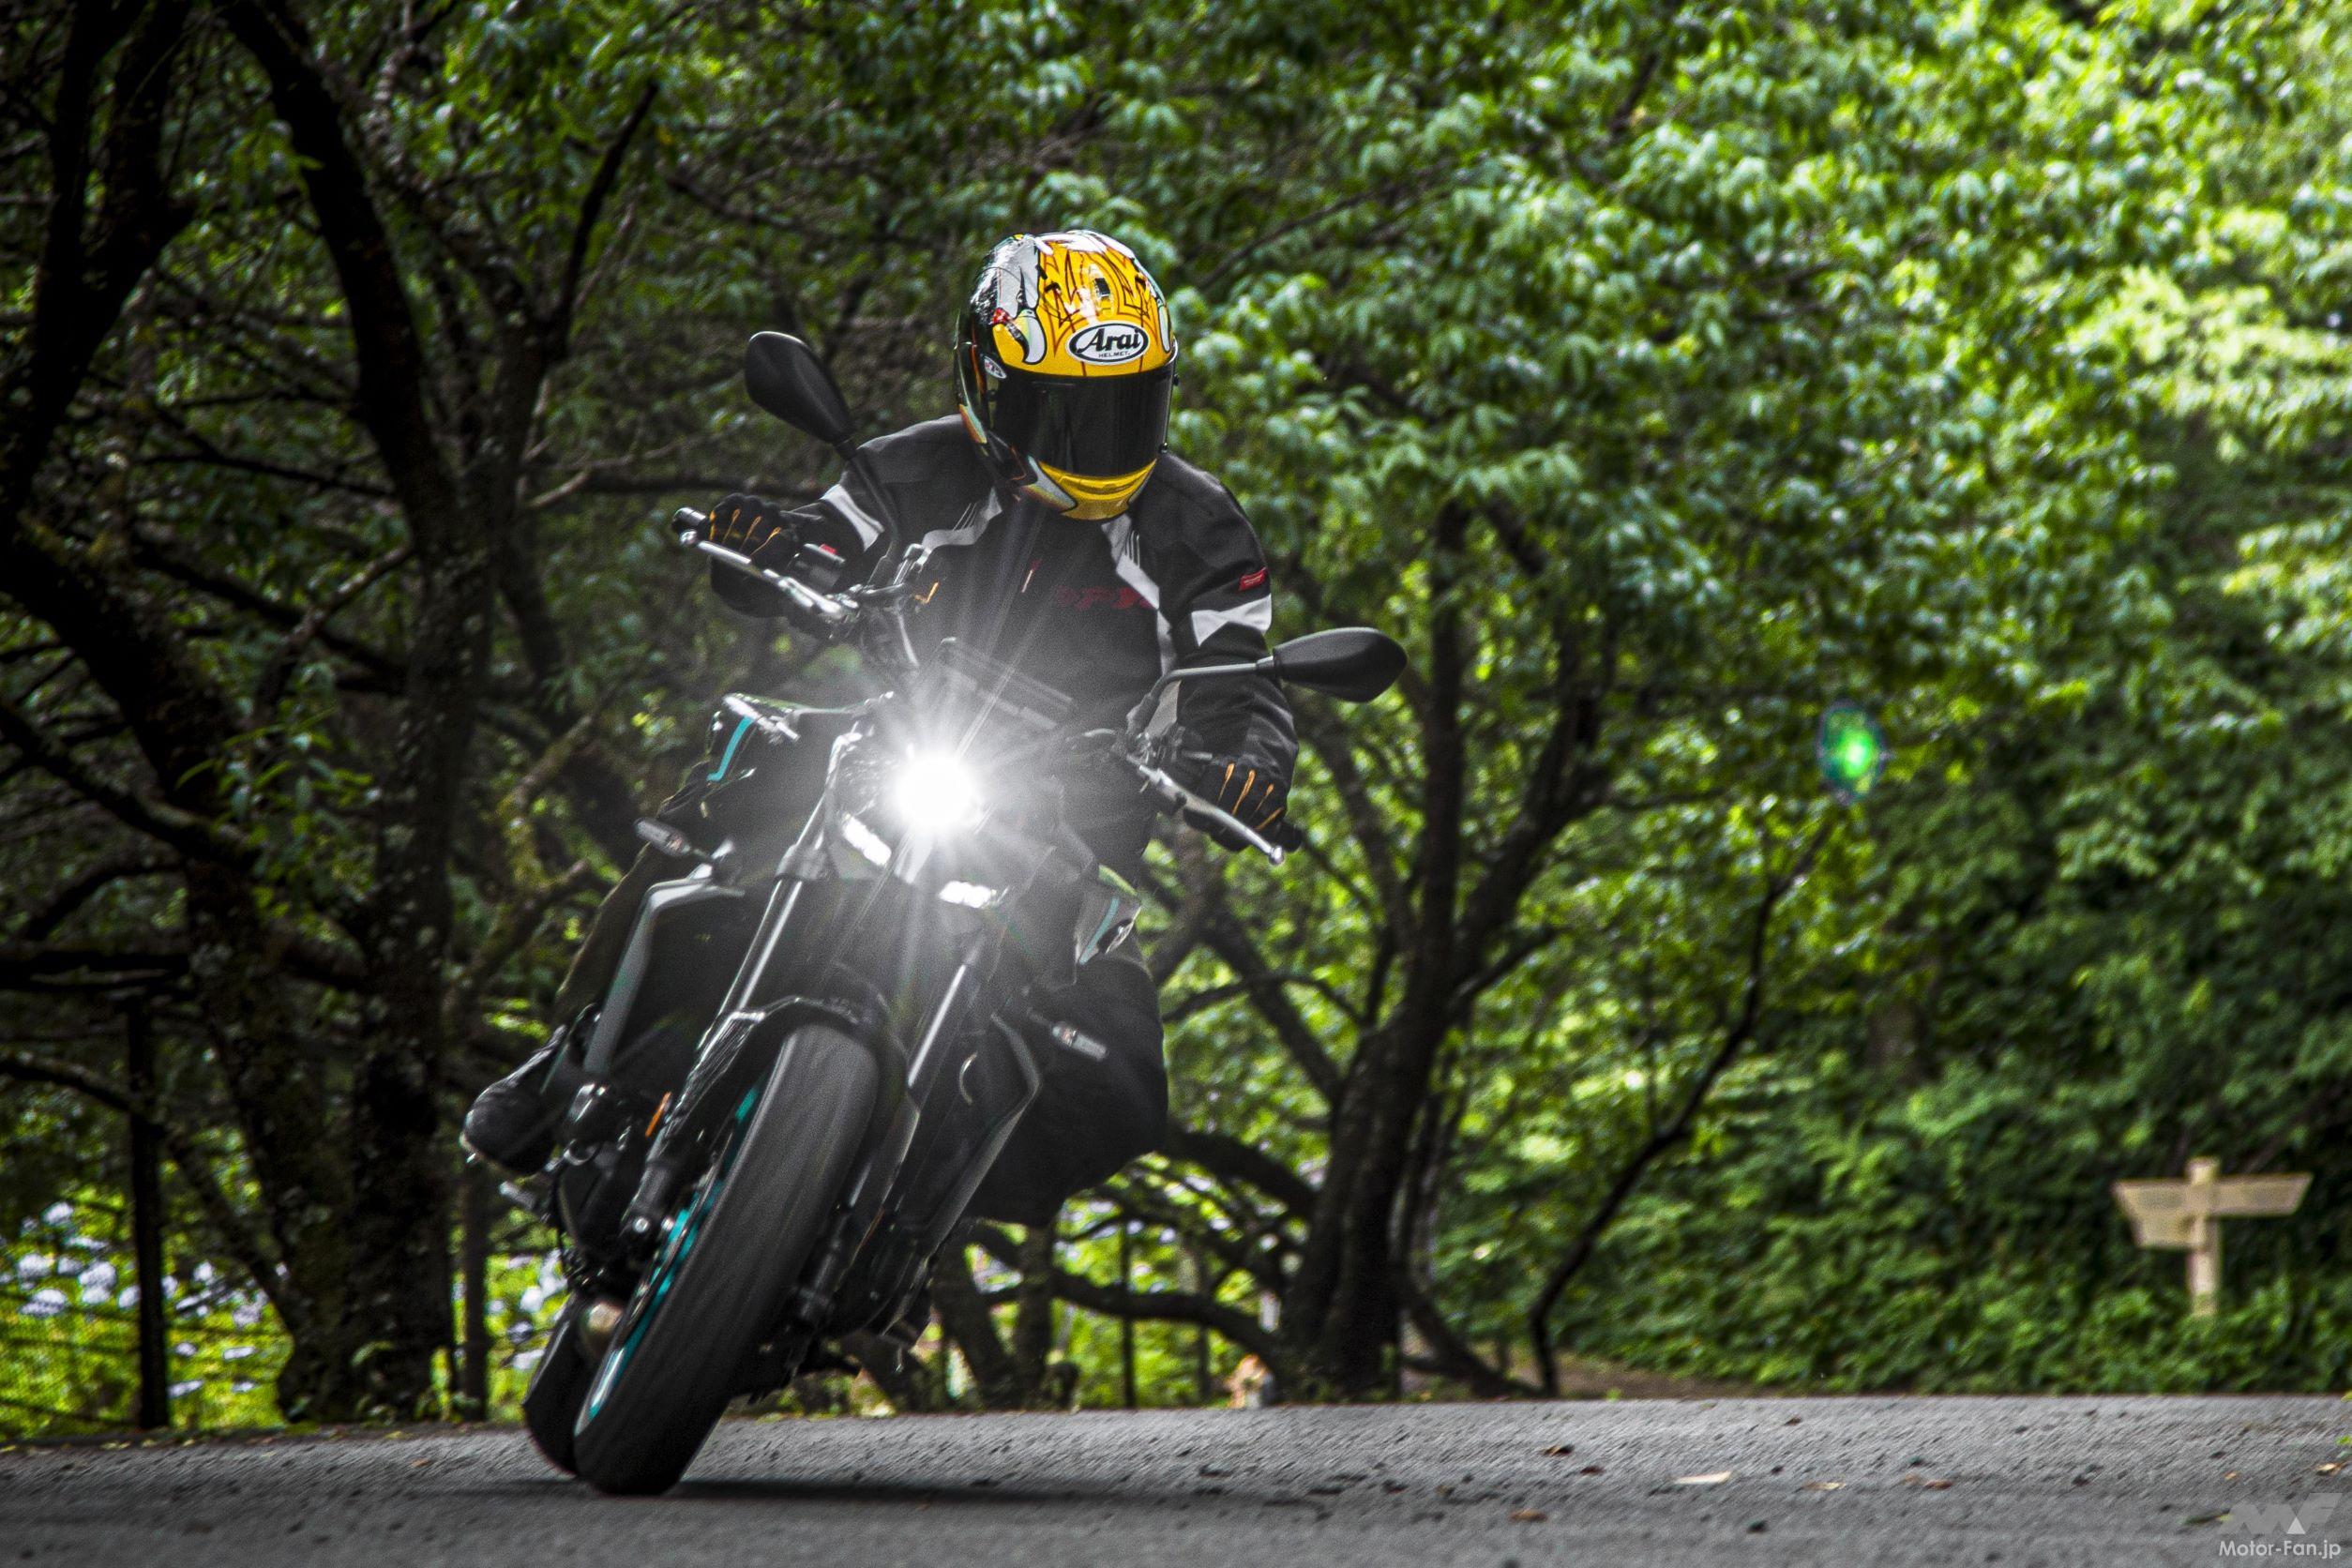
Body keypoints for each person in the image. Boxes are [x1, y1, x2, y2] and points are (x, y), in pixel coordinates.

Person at [464, 230, 1297, 1226]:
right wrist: (769, 545)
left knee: (1120, 1084)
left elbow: (1239, 681)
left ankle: (890, 1230)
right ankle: (571, 1061)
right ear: (988, 384)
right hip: (909, 747)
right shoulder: (922, 466)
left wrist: (1246, 768)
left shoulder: (1201, 529)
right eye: (1066, 410)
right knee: (750, 760)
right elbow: (825, 540)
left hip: (1077, 825)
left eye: (1128, 408)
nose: (1099, 440)